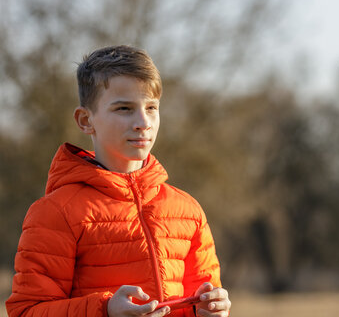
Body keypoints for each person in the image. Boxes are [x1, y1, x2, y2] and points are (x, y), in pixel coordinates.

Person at [5, 45, 231, 317]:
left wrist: (205, 311)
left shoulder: (188, 211)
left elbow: (201, 299)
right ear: (86, 120)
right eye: (124, 108)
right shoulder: (56, 212)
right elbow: (27, 311)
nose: (143, 122)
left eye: (151, 107)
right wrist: (105, 310)